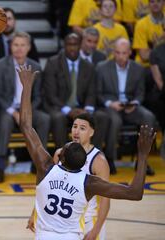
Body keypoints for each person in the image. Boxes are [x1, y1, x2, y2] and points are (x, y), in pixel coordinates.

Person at [18, 64, 155, 240]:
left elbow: (26, 126)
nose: (75, 133)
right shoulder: (88, 183)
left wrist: (27, 87)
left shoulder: (46, 168)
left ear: (62, 156)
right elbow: (134, 193)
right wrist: (143, 155)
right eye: (74, 127)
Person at [27, 113, 110, 240]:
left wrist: (95, 230)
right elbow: (46, 188)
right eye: (74, 126)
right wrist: (34, 213)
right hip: (63, 224)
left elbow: (105, 201)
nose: (76, 131)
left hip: (88, 221)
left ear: (92, 132)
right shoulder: (61, 153)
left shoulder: (99, 160)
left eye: (82, 128)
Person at [0, 32, 50, 183]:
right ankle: (0, 165)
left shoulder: (35, 66)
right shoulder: (0, 65)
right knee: (5, 121)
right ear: (11, 46)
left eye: (22, 45)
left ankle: (39, 163)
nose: (19, 48)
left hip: (29, 109)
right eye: (15, 45)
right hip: (8, 109)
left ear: (29, 47)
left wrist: (26, 112)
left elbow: (38, 96)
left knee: (44, 119)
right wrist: (14, 112)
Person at [96, 38, 156, 174]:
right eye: (117, 53)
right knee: (115, 120)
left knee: (148, 117)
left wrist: (134, 103)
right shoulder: (102, 67)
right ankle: (110, 158)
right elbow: (98, 93)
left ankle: (142, 161)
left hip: (131, 106)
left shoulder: (139, 69)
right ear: (113, 53)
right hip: (110, 106)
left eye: (124, 53)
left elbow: (140, 93)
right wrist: (110, 103)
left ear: (129, 52)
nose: (120, 56)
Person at [42, 32, 107, 151]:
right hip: (59, 107)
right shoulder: (53, 63)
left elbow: (91, 93)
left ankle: (93, 156)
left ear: (80, 45)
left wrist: (87, 110)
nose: (72, 48)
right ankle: (63, 157)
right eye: (69, 44)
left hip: (81, 108)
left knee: (101, 117)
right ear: (64, 45)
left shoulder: (88, 66)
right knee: (58, 118)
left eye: (75, 44)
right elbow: (51, 95)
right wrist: (69, 111)